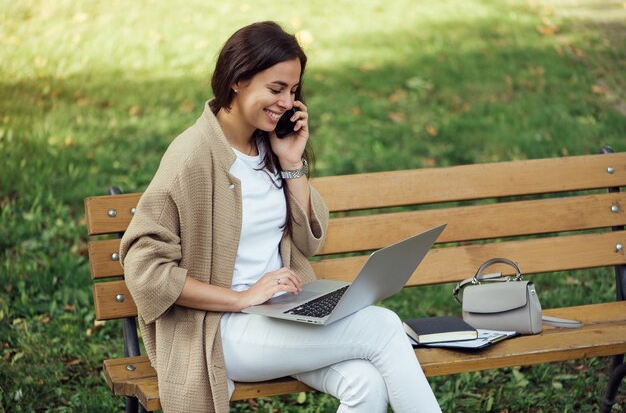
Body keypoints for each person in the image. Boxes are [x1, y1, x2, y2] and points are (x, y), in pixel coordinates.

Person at [119, 21, 441, 413]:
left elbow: (308, 242)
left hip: (281, 316)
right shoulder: (192, 157)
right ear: (238, 80)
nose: (288, 102)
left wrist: (292, 163)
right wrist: (240, 298)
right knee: (384, 327)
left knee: (366, 383)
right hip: (220, 330)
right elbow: (145, 269)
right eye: (276, 89)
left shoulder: (269, 148)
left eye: (293, 90)